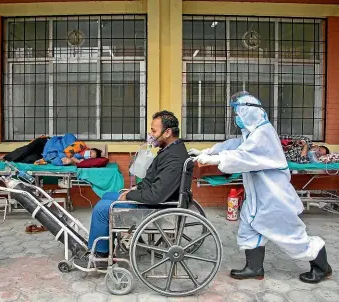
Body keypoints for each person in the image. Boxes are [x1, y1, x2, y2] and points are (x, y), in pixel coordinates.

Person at [190, 91, 332, 284]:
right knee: (248, 226)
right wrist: (208, 151)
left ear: (248, 112)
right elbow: (234, 145)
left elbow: (243, 157)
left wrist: (214, 159)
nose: (236, 118)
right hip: (259, 195)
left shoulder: (263, 134)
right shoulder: (252, 133)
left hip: (274, 196)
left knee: (290, 236)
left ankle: (322, 266)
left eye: (238, 113)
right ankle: (254, 268)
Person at [74, 110, 189, 268]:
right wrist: (135, 189)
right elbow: (154, 181)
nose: (151, 135)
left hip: (154, 207)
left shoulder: (173, 158)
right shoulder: (171, 151)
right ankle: (106, 242)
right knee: (108, 195)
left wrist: (131, 195)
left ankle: (100, 256)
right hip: (154, 200)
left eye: (154, 131)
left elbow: (157, 195)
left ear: (167, 132)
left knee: (101, 209)